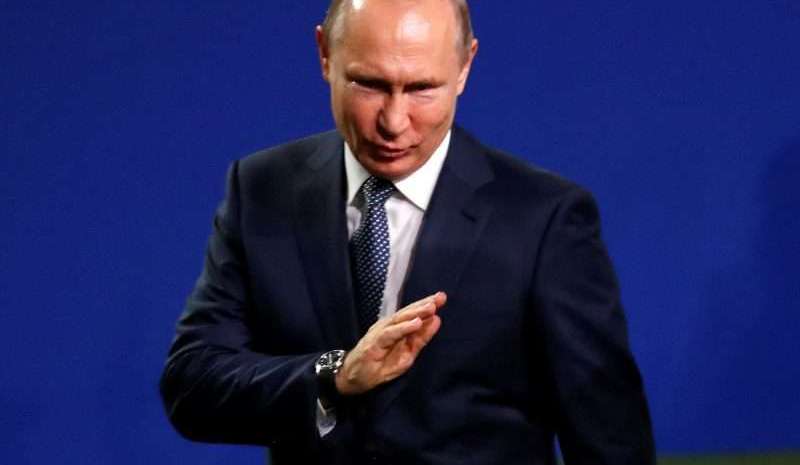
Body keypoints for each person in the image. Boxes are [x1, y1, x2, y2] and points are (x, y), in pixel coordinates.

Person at [159, 0, 656, 464]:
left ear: (465, 67)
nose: (394, 122)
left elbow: (610, 441)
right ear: (325, 54)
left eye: (422, 88)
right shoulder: (262, 188)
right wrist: (335, 376)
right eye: (369, 84)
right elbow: (192, 384)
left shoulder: (544, 219)